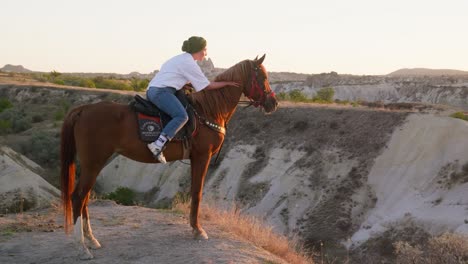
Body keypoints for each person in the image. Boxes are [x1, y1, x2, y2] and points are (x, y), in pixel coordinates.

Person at [146, 36, 239, 163]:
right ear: (199, 49)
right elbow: (207, 86)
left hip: (155, 90)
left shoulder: (181, 59)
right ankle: (158, 144)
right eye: (205, 49)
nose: (206, 53)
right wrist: (227, 83)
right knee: (181, 116)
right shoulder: (188, 62)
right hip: (161, 92)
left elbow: (185, 80)